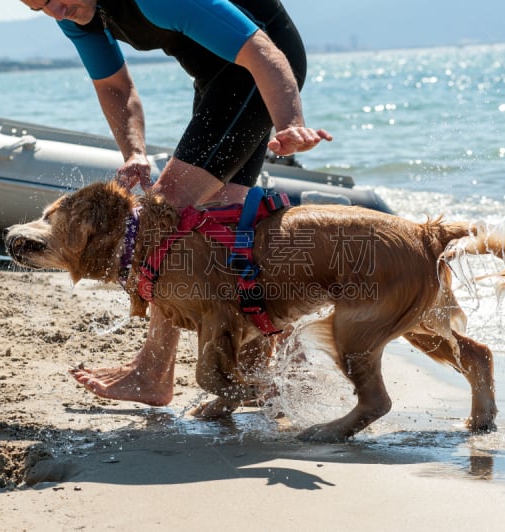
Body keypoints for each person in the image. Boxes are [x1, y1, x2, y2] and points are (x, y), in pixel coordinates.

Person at [21, 0, 332, 405]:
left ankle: (153, 372)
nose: (56, 12)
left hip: (262, 69)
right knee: (219, 222)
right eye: (39, 8)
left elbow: (263, 52)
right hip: (217, 80)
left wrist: (290, 123)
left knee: (158, 220)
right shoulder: (77, 13)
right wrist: (134, 152)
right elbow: (115, 87)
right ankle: (282, 365)